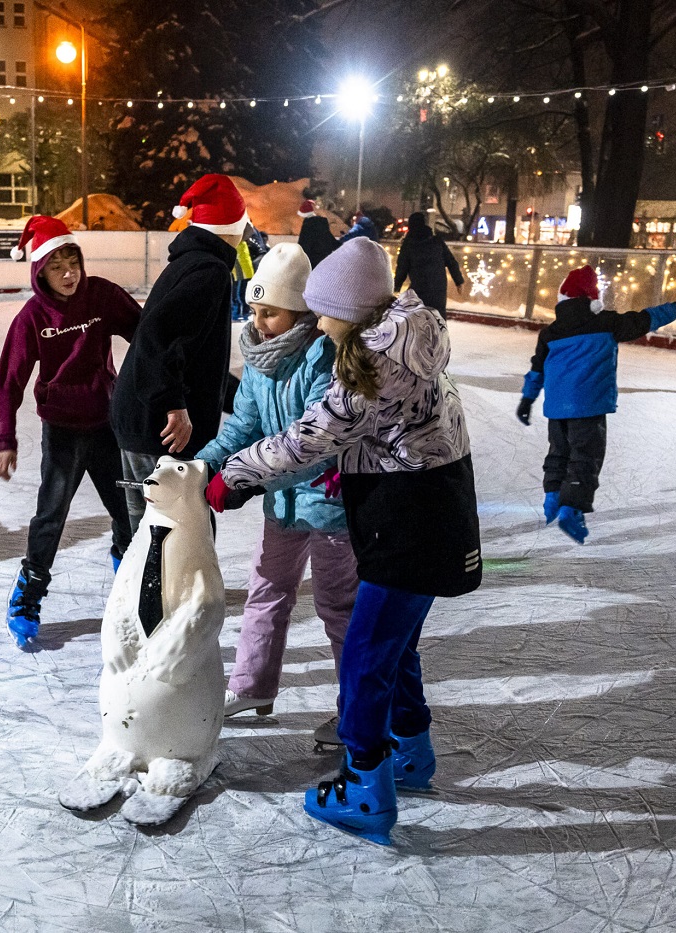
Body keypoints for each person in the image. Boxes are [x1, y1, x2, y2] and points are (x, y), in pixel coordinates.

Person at [207, 238, 482, 846]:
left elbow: (309, 437)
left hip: (408, 521)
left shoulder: (373, 363)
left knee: (364, 655)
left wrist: (233, 478)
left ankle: (364, 786)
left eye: (323, 308)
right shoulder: (400, 337)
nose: (318, 319)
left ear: (350, 308)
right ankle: (411, 755)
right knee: (394, 651)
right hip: (429, 510)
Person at [196, 243, 357, 743]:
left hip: (331, 508)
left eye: (271, 312)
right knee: (266, 591)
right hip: (282, 504)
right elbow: (243, 426)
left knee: (338, 608)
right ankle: (253, 685)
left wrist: (246, 480)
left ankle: (359, 710)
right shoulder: (261, 360)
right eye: (254, 309)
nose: (259, 321)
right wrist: (202, 464)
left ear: (301, 311)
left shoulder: (321, 357)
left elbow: (316, 448)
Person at [0, 216, 141, 650]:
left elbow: (144, 333)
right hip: (62, 430)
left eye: (72, 261)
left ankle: (126, 574)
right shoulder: (32, 317)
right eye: (57, 266)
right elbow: (9, 381)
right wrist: (4, 439)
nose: (69, 273)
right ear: (40, 271)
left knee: (129, 511)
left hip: (107, 426)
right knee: (50, 516)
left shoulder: (102, 296)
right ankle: (27, 598)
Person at [517, 266, 676, 543]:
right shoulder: (606, 323)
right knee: (585, 457)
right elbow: (647, 319)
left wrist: (527, 398)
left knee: (559, 452)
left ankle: (552, 500)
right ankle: (571, 510)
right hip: (589, 406)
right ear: (592, 299)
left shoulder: (550, 332)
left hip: (557, 409)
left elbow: (537, 369)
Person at [109, 173, 244, 533]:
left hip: (140, 419)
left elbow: (197, 362)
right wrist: (173, 406)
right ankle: (167, 591)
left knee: (153, 539)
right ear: (234, 226)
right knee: (181, 539)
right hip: (159, 429)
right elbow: (157, 336)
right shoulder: (211, 271)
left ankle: (150, 589)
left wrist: (242, 399)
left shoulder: (190, 263)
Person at [394, 211, 465, 318]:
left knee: (419, 318)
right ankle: (440, 333)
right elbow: (451, 262)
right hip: (438, 288)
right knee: (438, 317)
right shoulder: (437, 241)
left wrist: (396, 289)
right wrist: (458, 281)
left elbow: (401, 269)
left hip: (419, 287)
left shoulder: (408, 245)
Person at [297, 199, 338, 268]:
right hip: (325, 263)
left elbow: (304, 245)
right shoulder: (322, 224)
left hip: (312, 263)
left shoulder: (308, 225)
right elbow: (332, 243)